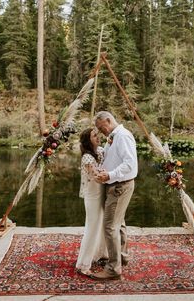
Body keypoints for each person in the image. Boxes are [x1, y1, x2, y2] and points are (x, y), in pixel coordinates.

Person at [90, 111, 138, 281]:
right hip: (116, 184)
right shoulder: (114, 136)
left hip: (119, 186)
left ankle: (113, 269)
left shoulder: (123, 136)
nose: (100, 131)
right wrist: (104, 170)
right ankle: (122, 257)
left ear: (108, 120)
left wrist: (109, 175)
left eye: (100, 127)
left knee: (110, 226)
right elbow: (115, 159)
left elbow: (129, 164)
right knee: (119, 224)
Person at [76, 127, 108, 276]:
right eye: (94, 136)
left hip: (101, 193)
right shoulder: (87, 158)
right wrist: (111, 174)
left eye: (97, 134)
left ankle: (100, 254)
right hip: (92, 195)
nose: (98, 137)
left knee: (101, 225)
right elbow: (96, 175)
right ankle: (84, 264)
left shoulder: (101, 151)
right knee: (92, 227)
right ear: (88, 141)